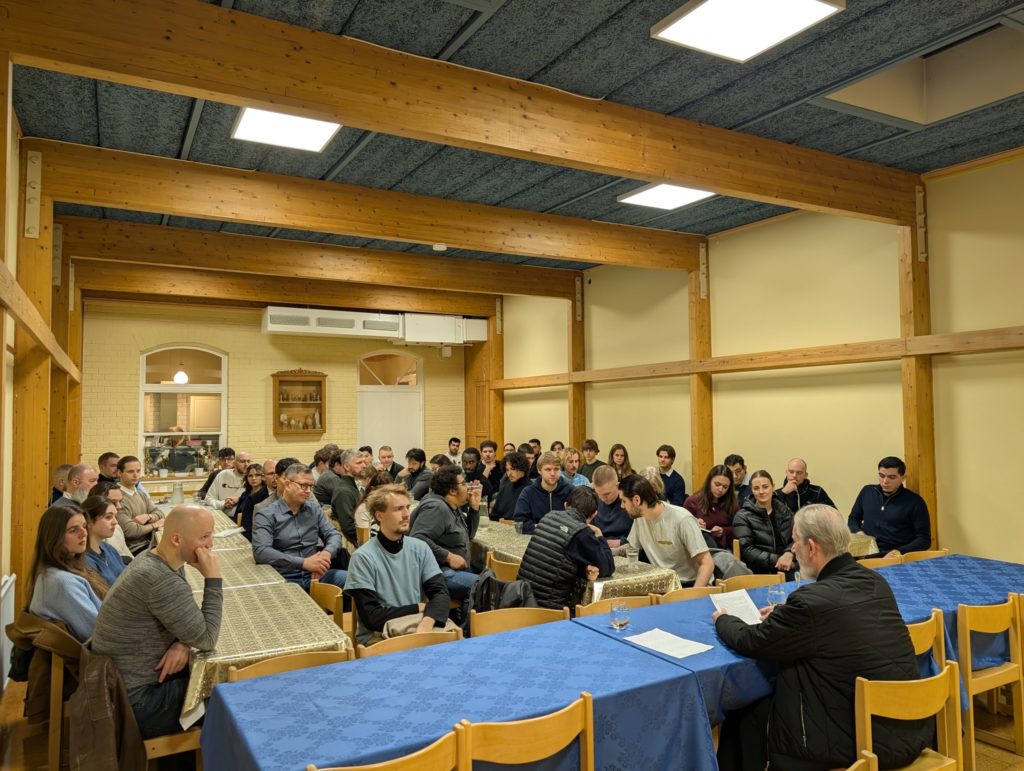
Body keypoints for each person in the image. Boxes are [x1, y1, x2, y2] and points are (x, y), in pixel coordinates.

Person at [713, 505, 931, 771]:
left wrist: (723, 619)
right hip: (907, 728)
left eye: (795, 541)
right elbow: (836, 619)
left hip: (857, 742)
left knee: (746, 711)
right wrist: (785, 614)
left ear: (812, 547)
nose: (793, 549)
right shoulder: (874, 581)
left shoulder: (810, 602)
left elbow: (753, 641)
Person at [92, 504, 223, 739]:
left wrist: (182, 643)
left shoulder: (154, 558)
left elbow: (185, 622)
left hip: (118, 687)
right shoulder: (159, 579)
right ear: (176, 539)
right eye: (205, 537)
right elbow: (206, 638)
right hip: (136, 704)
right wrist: (213, 579)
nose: (210, 545)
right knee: (229, 688)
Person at [345, 484, 450, 644]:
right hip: (378, 637)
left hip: (416, 626)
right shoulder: (363, 557)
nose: (407, 514)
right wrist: (417, 608)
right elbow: (372, 617)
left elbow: (440, 594)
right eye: (398, 509)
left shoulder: (420, 548)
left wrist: (426, 623)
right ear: (379, 516)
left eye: (407, 507)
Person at [518, 486, 614, 612]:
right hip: (547, 611)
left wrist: (583, 569)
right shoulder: (581, 532)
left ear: (565, 505)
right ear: (594, 514)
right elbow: (607, 566)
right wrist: (599, 534)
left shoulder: (548, 516)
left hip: (520, 600)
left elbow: (561, 557)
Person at [253, 463, 347, 590]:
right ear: (287, 484)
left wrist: (326, 553)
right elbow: (261, 551)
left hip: (315, 573)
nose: (308, 491)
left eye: (310, 486)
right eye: (303, 485)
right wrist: (303, 563)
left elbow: (333, 534)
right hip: (283, 577)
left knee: (357, 580)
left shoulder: (314, 509)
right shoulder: (266, 514)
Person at [27, 503, 107, 642]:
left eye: (84, 526)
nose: (84, 533)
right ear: (54, 538)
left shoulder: (65, 568)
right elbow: (100, 635)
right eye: (73, 530)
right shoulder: (62, 583)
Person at [616, 475, 713, 587]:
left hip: (689, 583)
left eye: (624, 501)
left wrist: (693, 597)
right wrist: (609, 552)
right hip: (662, 583)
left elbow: (707, 564)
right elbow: (632, 548)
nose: (622, 506)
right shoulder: (640, 518)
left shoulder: (682, 519)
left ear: (636, 500)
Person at [408, 465, 481, 614]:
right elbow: (417, 538)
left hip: (454, 568)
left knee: (488, 578)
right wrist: (447, 556)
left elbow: (469, 535)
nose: (467, 487)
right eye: (463, 484)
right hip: (438, 572)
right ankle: (467, 630)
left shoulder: (452, 505)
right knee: (483, 587)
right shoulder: (437, 508)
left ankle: (460, 618)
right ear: (452, 490)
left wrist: (474, 508)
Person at [848, 456, 931, 556]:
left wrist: (900, 551)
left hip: (894, 554)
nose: (885, 481)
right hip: (865, 551)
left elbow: (924, 539)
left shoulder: (915, 502)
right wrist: (859, 532)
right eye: (882, 476)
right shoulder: (867, 492)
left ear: (903, 478)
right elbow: (853, 519)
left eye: (892, 477)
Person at [733, 470, 796, 577]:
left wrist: (789, 553)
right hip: (759, 573)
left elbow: (797, 538)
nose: (761, 492)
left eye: (765, 487)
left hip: (789, 567)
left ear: (773, 487)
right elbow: (747, 551)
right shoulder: (743, 516)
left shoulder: (784, 510)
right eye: (756, 488)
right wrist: (779, 560)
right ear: (751, 490)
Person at [513, 451, 573, 534]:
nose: (552, 473)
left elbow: (578, 522)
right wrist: (542, 528)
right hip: (535, 540)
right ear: (539, 470)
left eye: (556, 469)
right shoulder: (528, 493)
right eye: (548, 469)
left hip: (563, 540)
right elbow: (520, 523)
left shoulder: (571, 491)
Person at [116, 456, 164, 555]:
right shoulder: (116, 497)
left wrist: (148, 516)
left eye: (138, 471)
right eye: (130, 472)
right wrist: (155, 524)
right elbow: (131, 531)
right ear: (119, 473)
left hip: (149, 543)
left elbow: (160, 513)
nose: (135, 475)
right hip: (134, 549)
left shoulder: (140, 493)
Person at [684, 464, 739, 549]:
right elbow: (682, 527)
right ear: (709, 481)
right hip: (698, 548)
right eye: (717, 484)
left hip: (725, 549)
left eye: (725, 487)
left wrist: (723, 531)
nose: (720, 490)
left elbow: (738, 529)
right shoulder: (692, 501)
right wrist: (695, 524)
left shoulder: (732, 503)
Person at [81, 495, 126, 587]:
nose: (115, 522)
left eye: (115, 517)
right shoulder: (84, 560)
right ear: (88, 521)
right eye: (108, 517)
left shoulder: (109, 549)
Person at [329, 448, 368, 548]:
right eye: (359, 463)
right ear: (346, 466)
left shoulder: (353, 485)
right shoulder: (344, 491)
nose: (364, 466)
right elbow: (349, 527)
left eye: (364, 462)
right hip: (354, 543)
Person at [591, 465, 632, 547]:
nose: (602, 498)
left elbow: (640, 536)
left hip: (624, 547)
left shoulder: (630, 502)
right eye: (599, 494)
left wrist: (622, 541)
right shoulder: (593, 500)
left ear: (618, 486)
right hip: (600, 546)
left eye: (607, 494)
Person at [205, 449, 250, 517]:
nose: (246, 464)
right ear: (234, 463)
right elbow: (208, 498)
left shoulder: (252, 478)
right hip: (222, 515)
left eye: (248, 461)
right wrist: (223, 504)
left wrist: (239, 499)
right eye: (242, 461)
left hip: (243, 518)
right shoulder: (222, 475)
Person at [354, 470, 395, 543]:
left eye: (391, 491)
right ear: (373, 489)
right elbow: (364, 541)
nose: (388, 495)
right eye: (383, 491)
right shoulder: (363, 509)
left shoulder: (390, 506)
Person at [491, 451, 530, 521]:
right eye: (507, 470)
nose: (509, 473)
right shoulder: (505, 487)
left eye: (513, 469)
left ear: (522, 468)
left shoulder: (531, 489)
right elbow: (494, 515)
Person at [234, 462, 269, 540]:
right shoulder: (245, 494)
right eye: (250, 476)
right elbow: (236, 516)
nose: (253, 478)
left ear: (263, 477)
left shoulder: (266, 496)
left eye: (257, 475)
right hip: (241, 533)